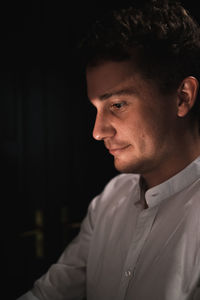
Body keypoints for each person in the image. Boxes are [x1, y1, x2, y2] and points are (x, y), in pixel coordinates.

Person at [18, 0, 200, 299]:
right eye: (97, 108)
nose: (98, 131)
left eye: (117, 105)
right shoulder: (110, 200)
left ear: (182, 98)